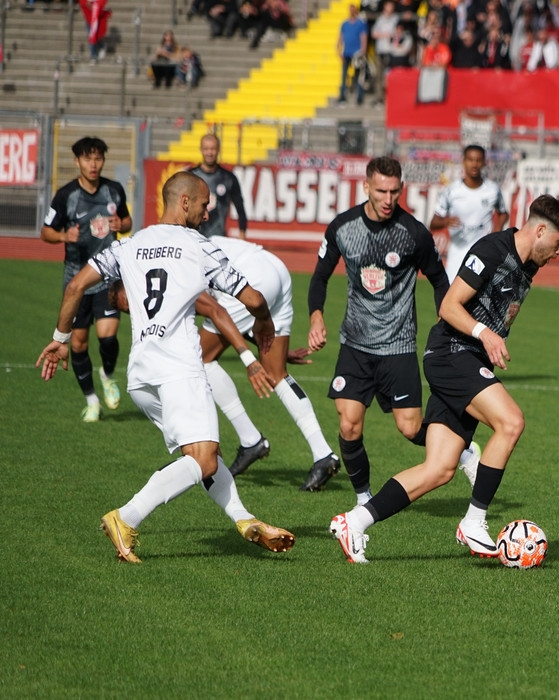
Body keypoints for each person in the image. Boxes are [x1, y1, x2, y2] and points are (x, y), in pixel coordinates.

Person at [37, 171, 296, 563]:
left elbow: (75, 287)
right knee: (203, 458)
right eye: (204, 205)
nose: (208, 214)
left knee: (201, 453)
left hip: (141, 375)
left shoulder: (128, 244)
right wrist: (264, 323)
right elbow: (254, 298)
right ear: (185, 202)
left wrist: (60, 338)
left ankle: (244, 520)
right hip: (179, 369)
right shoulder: (199, 246)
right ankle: (126, 517)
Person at [330, 194, 559, 563]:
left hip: (467, 360)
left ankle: (354, 522)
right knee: (511, 422)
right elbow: (449, 306)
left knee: (439, 469)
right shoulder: (493, 250)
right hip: (451, 354)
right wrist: (484, 333)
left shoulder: (529, 264)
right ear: (540, 230)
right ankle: (474, 522)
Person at [307, 156, 452, 507]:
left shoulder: (413, 233)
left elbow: (439, 280)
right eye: (381, 191)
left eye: (395, 192)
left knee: (410, 428)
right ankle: (363, 500)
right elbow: (320, 277)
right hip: (355, 344)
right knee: (349, 425)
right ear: (366, 187)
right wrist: (316, 317)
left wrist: (445, 323)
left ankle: (460, 450)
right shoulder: (343, 227)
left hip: (397, 346)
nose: (388, 199)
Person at [198, 236, 341, 491]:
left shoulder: (171, 264)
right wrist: (270, 348)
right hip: (275, 268)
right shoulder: (191, 242)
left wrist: (248, 358)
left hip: (252, 279)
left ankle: (251, 440)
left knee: (200, 359)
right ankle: (323, 454)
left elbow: (218, 314)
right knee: (276, 372)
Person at [40, 136, 132, 422]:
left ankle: (107, 375)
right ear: (77, 161)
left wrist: (122, 224)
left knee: (108, 337)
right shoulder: (65, 195)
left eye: (98, 159)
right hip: (77, 282)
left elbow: (127, 220)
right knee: (78, 344)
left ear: (103, 161)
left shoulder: (114, 190)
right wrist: (63, 235)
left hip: (107, 278)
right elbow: (45, 232)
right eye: (87, 159)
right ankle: (92, 401)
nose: (93, 164)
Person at [430, 145, 509, 283]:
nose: (474, 164)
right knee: (452, 292)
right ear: (464, 161)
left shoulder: (492, 190)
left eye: (478, 160)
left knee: (482, 291)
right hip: (457, 252)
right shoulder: (451, 191)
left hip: (483, 252)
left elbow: (503, 213)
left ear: (484, 162)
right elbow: (433, 223)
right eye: (470, 160)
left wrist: (497, 230)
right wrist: (446, 221)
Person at [188, 133, 248, 239]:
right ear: (201, 149)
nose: (209, 153)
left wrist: (242, 233)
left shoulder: (229, 178)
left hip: (218, 240)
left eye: (213, 149)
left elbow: (240, 209)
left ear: (218, 149)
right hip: (194, 237)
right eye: (206, 149)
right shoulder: (190, 176)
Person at [338, 3, 368, 105]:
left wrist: (363, 52)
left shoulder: (360, 24)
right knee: (344, 75)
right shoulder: (345, 24)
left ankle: (359, 96)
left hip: (357, 53)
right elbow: (341, 37)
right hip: (346, 52)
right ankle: (342, 96)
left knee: (358, 76)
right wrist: (339, 50)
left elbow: (363, 38)